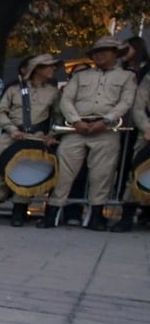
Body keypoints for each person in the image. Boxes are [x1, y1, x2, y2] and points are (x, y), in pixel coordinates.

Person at [38, 37, 137, 230]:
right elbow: (66, 100)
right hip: (76, 127)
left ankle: (96, 216)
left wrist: (106, 119)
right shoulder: (81, 76)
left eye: (105, 50)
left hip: (106, 128)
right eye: (96, 52)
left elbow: (126, 102)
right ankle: (52, 212)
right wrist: (76, 120)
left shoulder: (126, 77)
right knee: (64, 171)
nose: (99, 54)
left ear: (116, 53)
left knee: (102, 174)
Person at [0, 54, 61, 226]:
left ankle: (19, 211)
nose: (52, 69)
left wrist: (52, 135)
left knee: (26, 172)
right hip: (12, 134)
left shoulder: (53, 92)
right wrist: (11, 128)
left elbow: (58, 117)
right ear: (37, 69)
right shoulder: (13, 90)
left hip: (36, 137)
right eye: (48, 66)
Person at [110, 72, 150, 232]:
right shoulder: (148, 78)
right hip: (148, 134)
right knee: (136, 175)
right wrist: (147, 127)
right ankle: (126, 218)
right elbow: (139, 107)